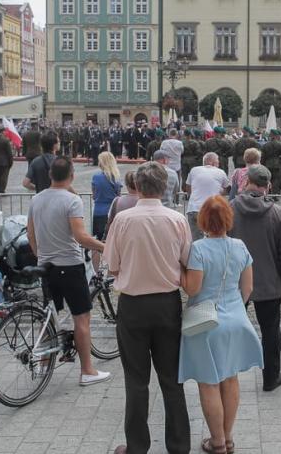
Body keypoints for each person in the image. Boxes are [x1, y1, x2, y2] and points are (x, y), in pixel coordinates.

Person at [104, 162, 192, 454]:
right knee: (171, 379)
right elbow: (186, 260)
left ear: (138, 186)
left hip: (132, 305)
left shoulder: (122, 219)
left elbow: (112, 265)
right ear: (165, 186)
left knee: (136, 380)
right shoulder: (177, 220)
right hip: (167, 304)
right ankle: (179, 446)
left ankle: (137, 446)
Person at [179, 196, 263, 454]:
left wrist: (179, 273)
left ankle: (216, 443)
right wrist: (234, 306)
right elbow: (247, 288)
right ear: (229, 218)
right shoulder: (240, 246)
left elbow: (193, 287)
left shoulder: (199, 249)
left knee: (208, 382)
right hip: (235, 319)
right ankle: (227, 438)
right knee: (230, 379)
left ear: (203, 219)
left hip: (206, 323)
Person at [27, 156, 110, 386]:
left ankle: (43, 364)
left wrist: (40, 255)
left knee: (48, 316)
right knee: (81, 318)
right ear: (72, 176)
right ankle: (87, 371)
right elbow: (80, 236)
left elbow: (31, 234)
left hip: (46, 265)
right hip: (70, 266)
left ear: (50, 175)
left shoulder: (37, 199)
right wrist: (105, 246)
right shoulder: (72, 201)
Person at [229, 165, 281, 392]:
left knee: (232, 329)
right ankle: (271, 377)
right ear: (268, 187)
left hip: (236, 283)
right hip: (269, 282)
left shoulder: (231, 209)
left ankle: (228, 375)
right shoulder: (277, 213)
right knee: (270, 332)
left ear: (246, 183)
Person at [186, 152, 231, 241]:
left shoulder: (194, 170)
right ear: (212, 162)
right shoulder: (220, 172)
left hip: (193, 208)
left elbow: (188, 187)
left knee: (195, 240)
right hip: (212, 209)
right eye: (217, 162)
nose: (218, 164)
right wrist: (219, 192)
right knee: (214, 238)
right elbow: (227, 188)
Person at [91, 151, 123, 243]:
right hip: (113, 211)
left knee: (99, 241)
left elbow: (94, 195)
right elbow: (118, 195)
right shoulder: (116, 177)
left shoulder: (96, 177)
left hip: (99, 211)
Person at [261, 129, 281, 195]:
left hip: (267, 164)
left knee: (268, 179)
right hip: (277, 164)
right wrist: (280, 157)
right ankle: (275, 194)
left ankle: (269, 193)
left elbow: (263, 156)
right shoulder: (280, 144)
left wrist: (262, 164)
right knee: (276, 180)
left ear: (270, 136)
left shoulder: (265, 145)